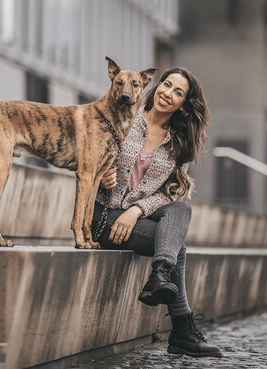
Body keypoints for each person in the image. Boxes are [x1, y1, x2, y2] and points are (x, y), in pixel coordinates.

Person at [92, 67, 222, 358]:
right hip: (102, 214)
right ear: (156, 86)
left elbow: (169, 193)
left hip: (133, 219)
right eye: (167, 85)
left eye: (178, 92)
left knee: (180, 208)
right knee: (176, 247)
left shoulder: (179, 140)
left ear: (183, 103)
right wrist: (102, 175)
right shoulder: (124, 117)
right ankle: (181, 329)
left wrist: (136, 210)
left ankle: (161, 275)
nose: (168, 94)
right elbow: (88, 157)